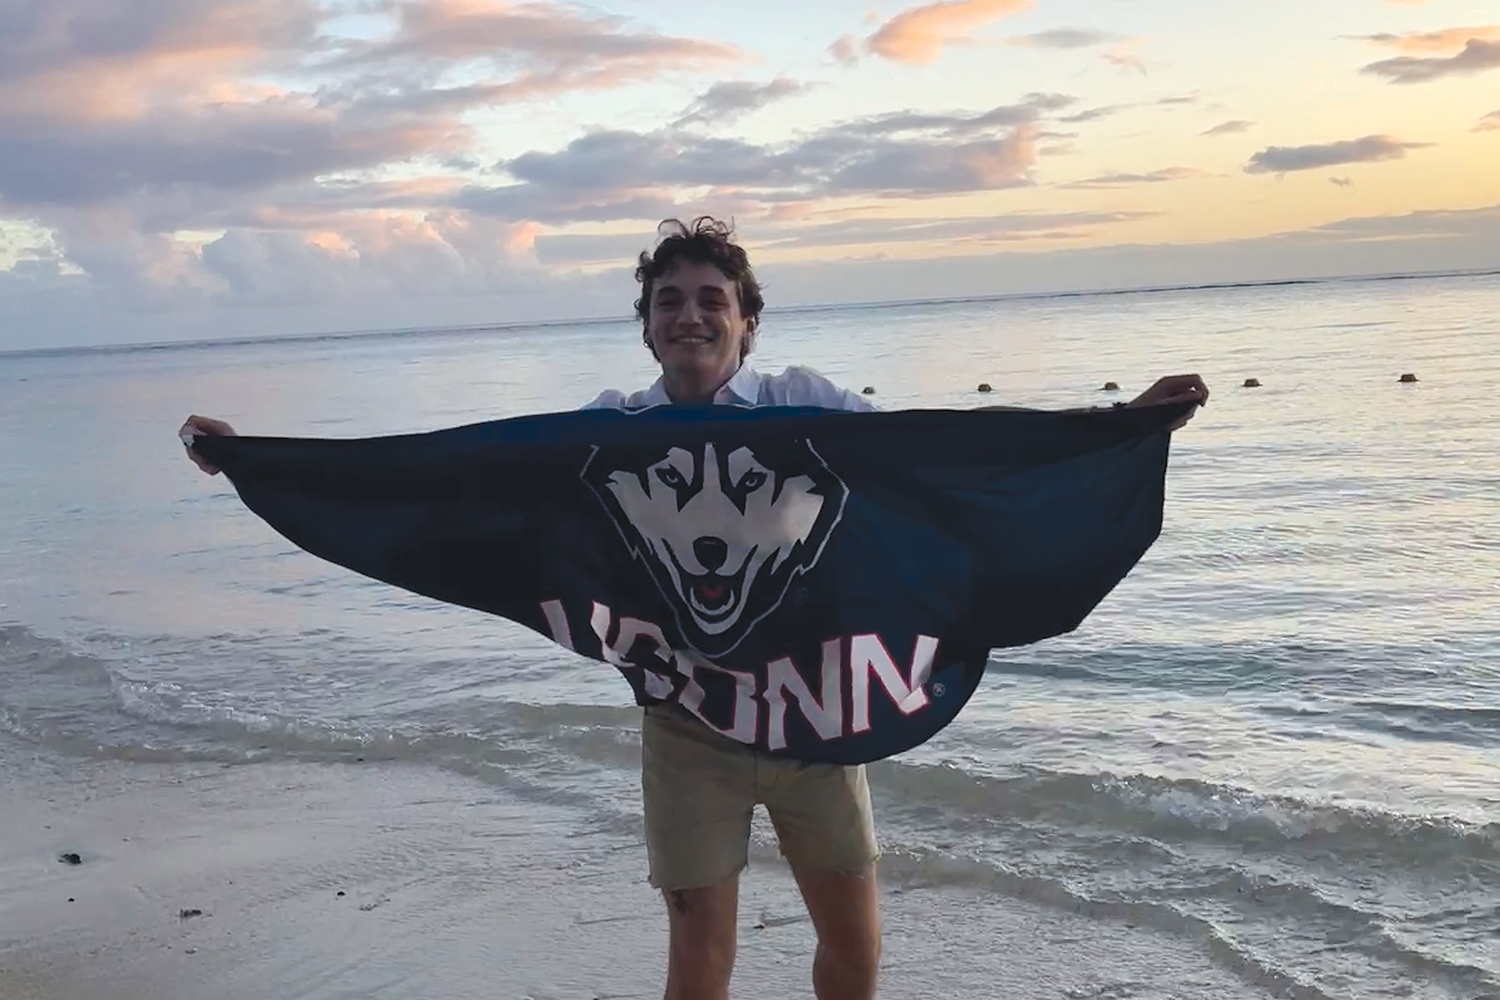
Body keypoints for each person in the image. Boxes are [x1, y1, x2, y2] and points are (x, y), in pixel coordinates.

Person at [180, 215, 1208, 999]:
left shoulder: (807, 408)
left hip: (818, 717)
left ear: (745, 321)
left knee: (855, 941)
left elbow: (933, 463)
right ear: (647, 326)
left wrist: (1119, 427)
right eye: (669, 299)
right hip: (689, 726)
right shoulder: (603, 437)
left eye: (711, 297)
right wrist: (257, 463)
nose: (690, 313)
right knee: (697, 949)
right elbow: (454, 485)